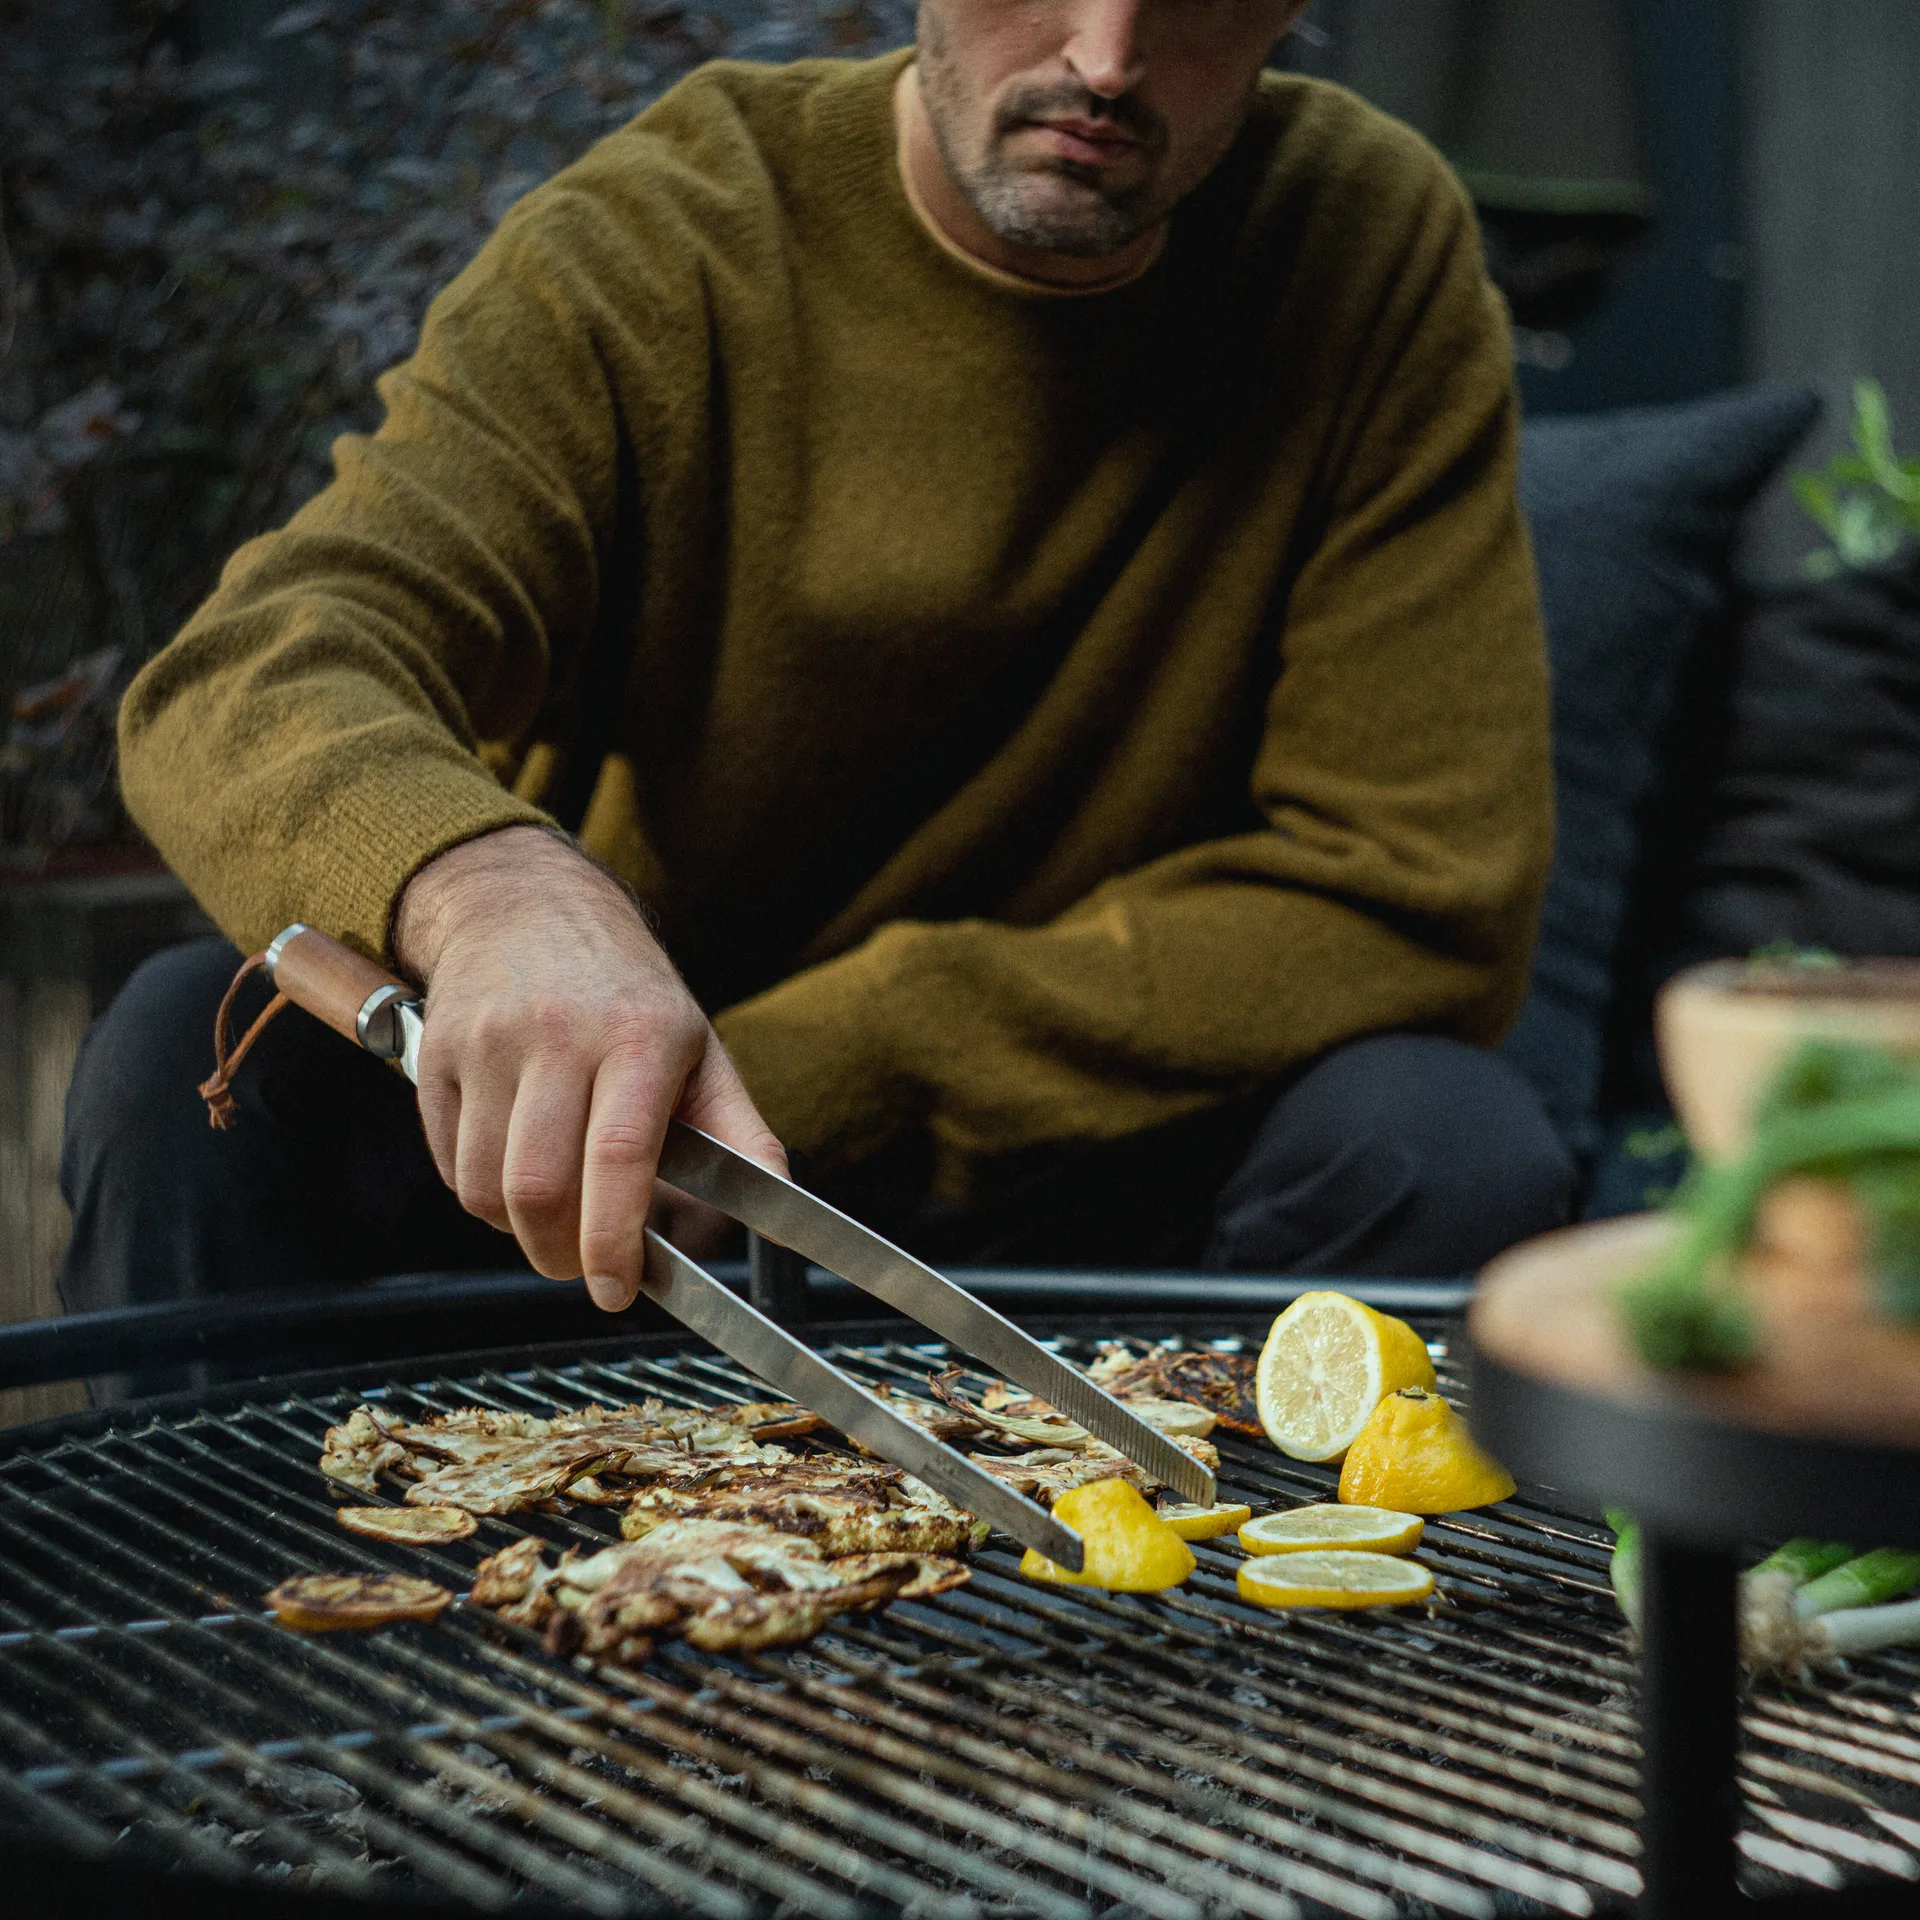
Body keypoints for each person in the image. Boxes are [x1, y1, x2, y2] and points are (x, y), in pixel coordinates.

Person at [61, 0, 1574, 1331]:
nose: (1105, 56)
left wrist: (815, 1073)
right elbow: (250, 668)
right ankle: (258, 1643)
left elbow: (1420, 885)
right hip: (596, 1183)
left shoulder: (1364, 243)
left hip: (1076, 1163)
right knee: (188, 1048)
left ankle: (1268, 1635)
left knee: (1441, 1137)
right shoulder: (674, 235)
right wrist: (499, 893)